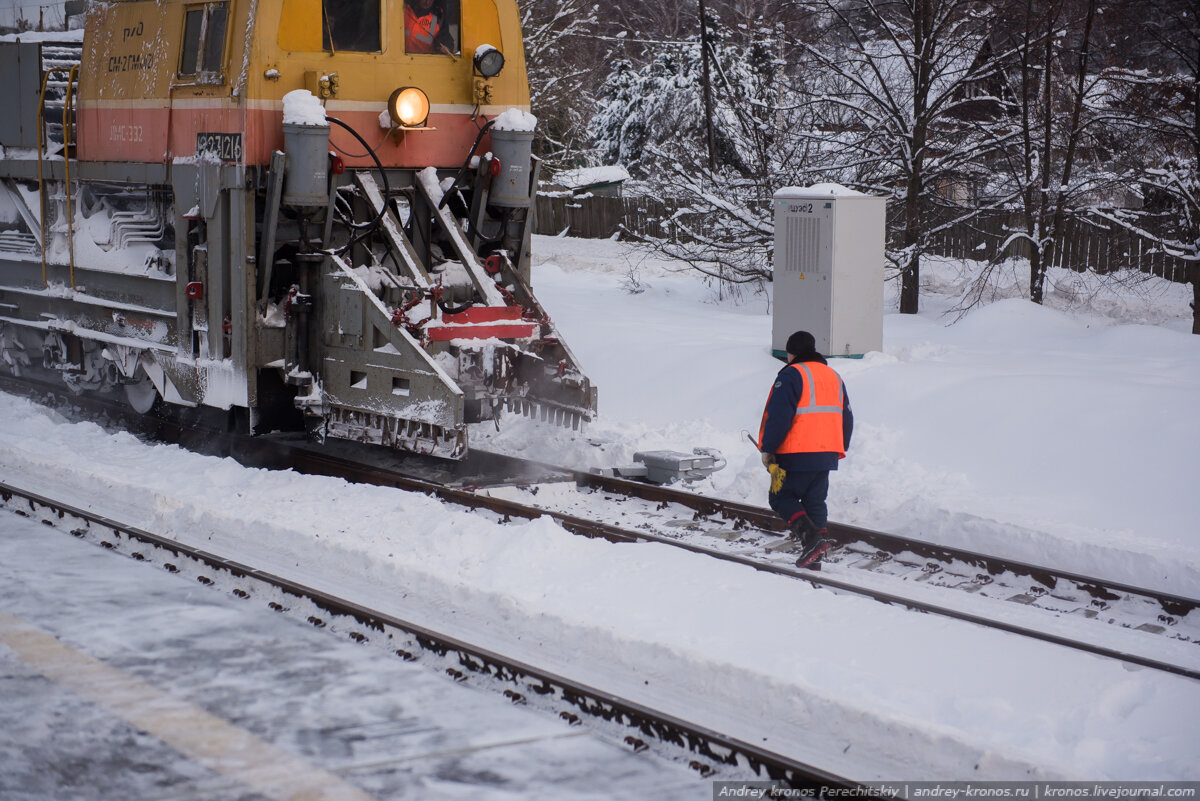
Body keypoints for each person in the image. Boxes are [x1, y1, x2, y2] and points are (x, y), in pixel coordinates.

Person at [757, 330, 853, 569]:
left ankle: (811, 540)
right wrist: (840, 446)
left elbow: (779, 417)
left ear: (792, 353)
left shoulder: (791, 375)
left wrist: (768, 448)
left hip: (795, 453)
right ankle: (815, 557)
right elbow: (847, 416)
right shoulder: (833, 376)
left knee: (779, 496)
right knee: (815, 501)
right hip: (826, 453)